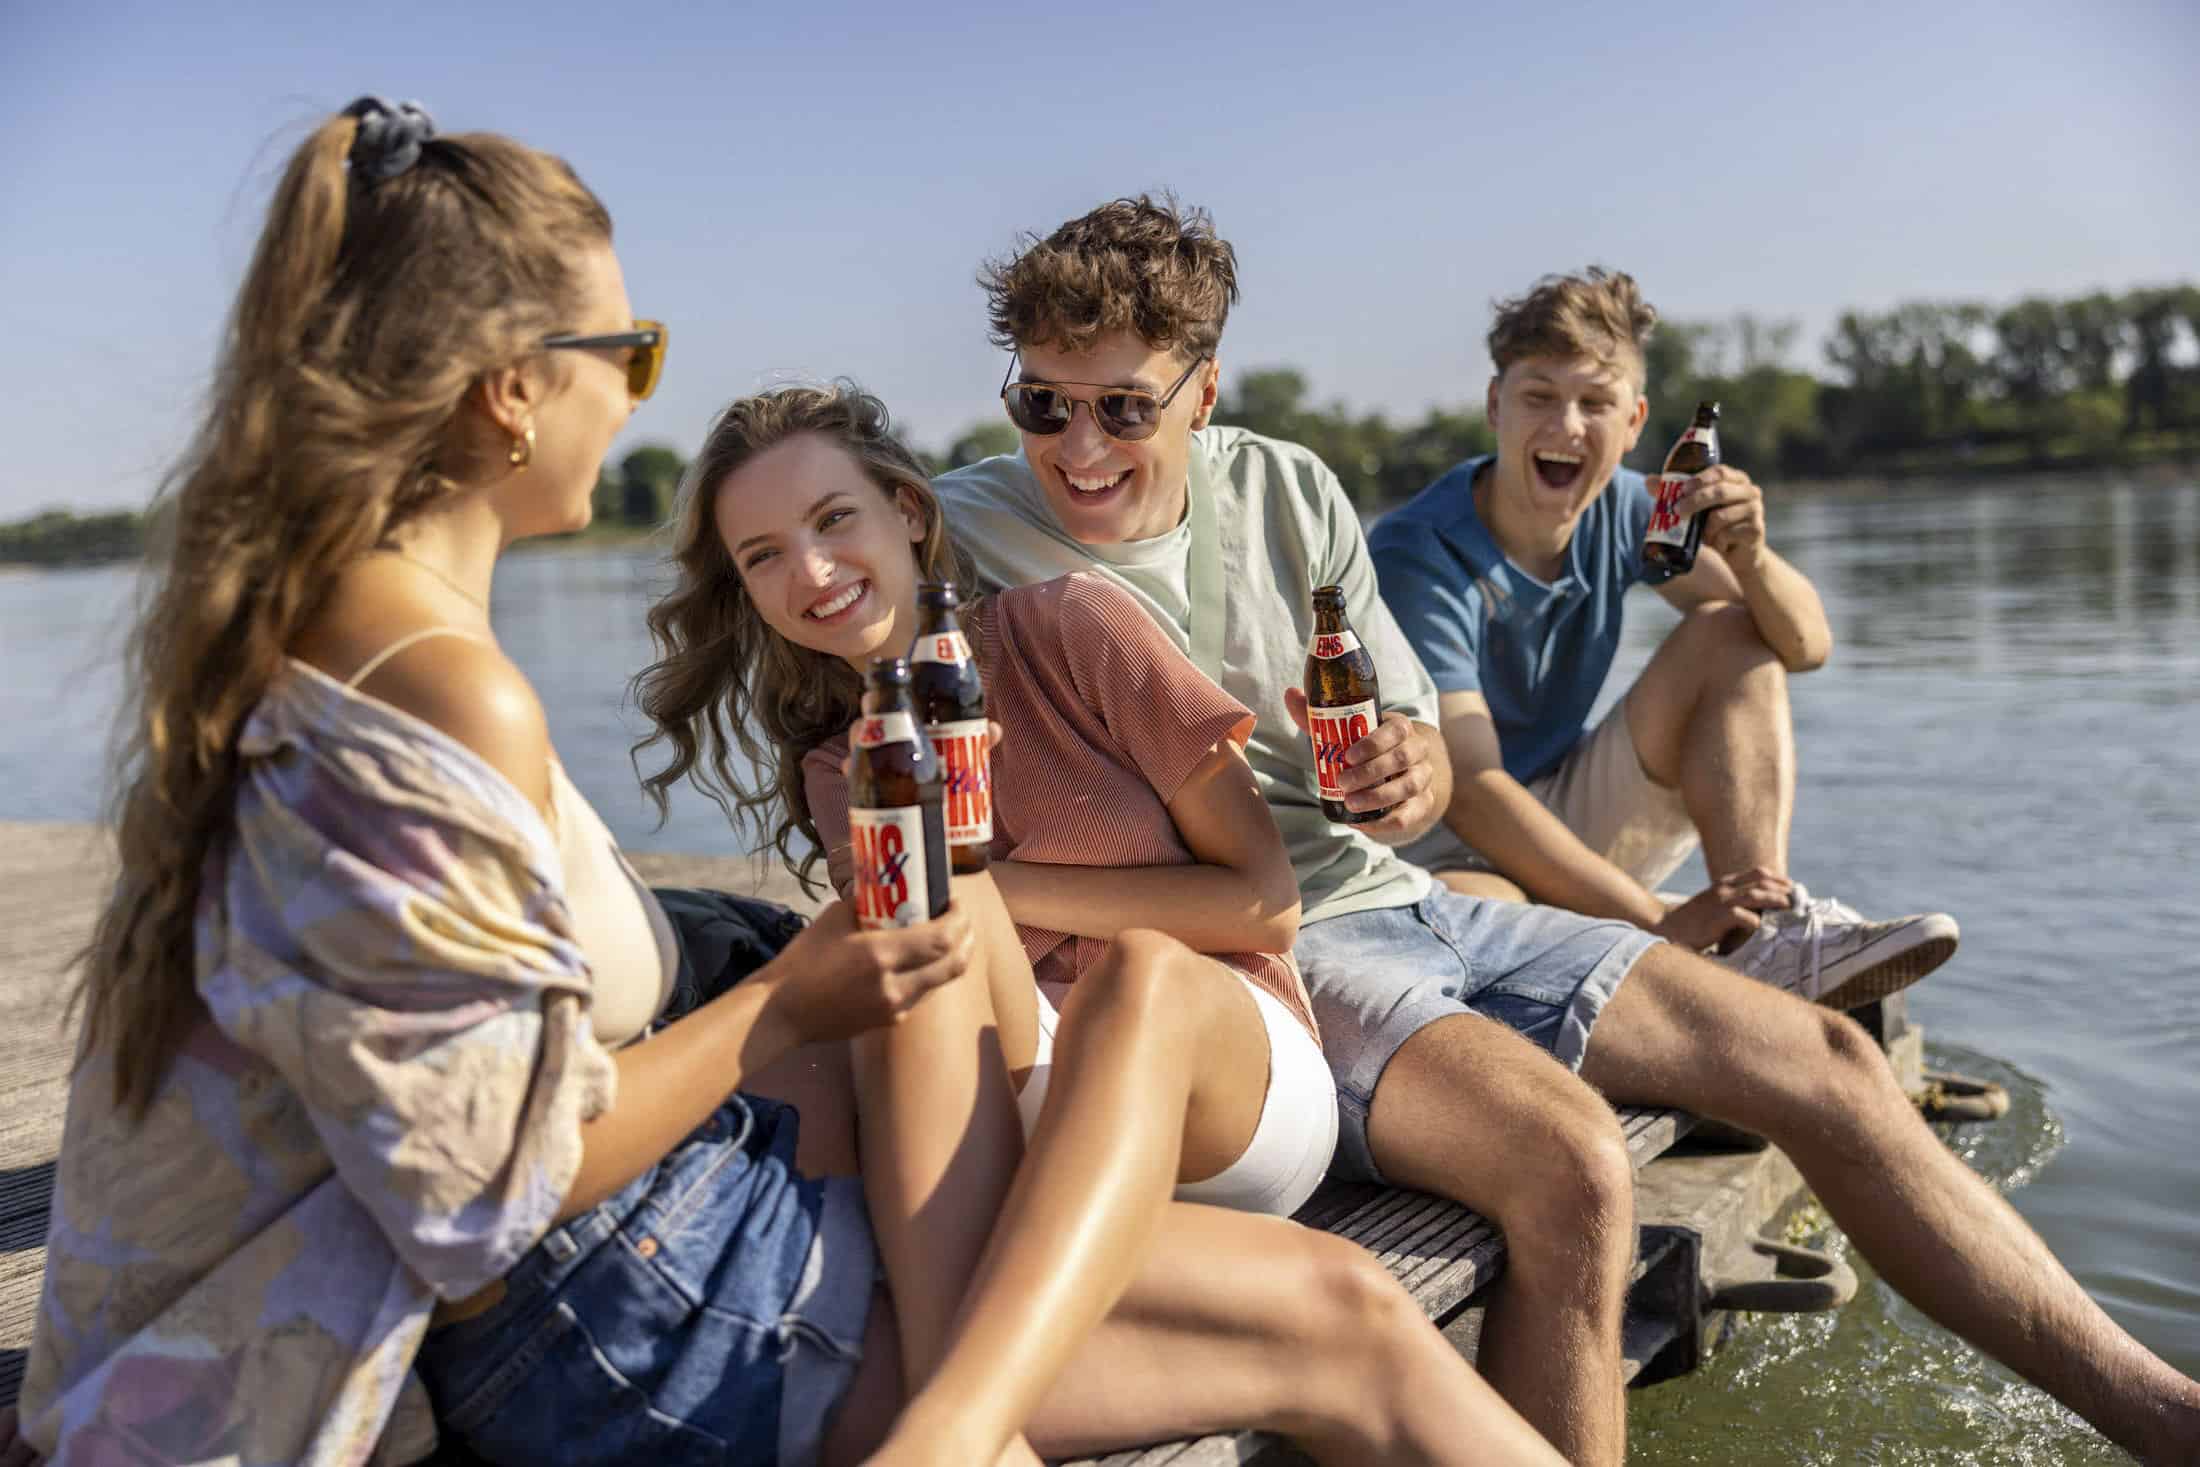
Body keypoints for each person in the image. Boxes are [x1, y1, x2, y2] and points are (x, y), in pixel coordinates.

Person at [933, 193, 2200, 1467]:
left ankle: (2165, 1418)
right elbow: (814, 609)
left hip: (1409, 895)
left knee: (1829, 1062)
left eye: (1122, 407)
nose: (1077, 444)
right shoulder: (955, 530)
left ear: (1202, 392)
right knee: (1575, 1164)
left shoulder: (1289, 488)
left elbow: (1425, 756)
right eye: (1043, 403)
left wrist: (1407, 768)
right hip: (1268, 962)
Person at [23, 98, 1091, 1467]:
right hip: (539, 1324)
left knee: (1312, 1311)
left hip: (436, 1297)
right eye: (630, 353)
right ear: (516, 387)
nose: (636, 394)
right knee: (1311, 1315)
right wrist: (785, 997)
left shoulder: (298, 630)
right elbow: (488, 1194)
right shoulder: (441, 681)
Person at [631, 380, 1566, 1467]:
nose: (813, 572)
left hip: (1224, 1077)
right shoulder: (843, 771)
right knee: (898, 957)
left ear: (910, 513)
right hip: (1035, 1108)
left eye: (835, 520)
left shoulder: (1071, 625)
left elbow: (1266, 901)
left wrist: (996, 887)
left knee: (1132, 973)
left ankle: (955, 1429)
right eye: (764, 555)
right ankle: (974, 1416)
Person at [1370, 266, 1958, 1008]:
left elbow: (1803, 645)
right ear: (1496, 406)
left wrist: (1752, 555)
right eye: (1539, 397)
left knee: (1733, 630)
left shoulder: (1627, 508)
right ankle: (1674, 960)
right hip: (1448, 841)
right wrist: (1658, 918)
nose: (1567, 427)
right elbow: (1476, 790)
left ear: (1635, 421)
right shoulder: (1419, 552)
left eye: (1595, 402)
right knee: (1488, 938)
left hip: (1562, 807)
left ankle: (1763, 936)